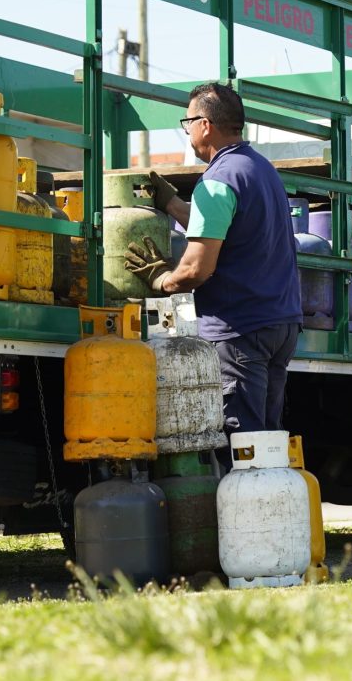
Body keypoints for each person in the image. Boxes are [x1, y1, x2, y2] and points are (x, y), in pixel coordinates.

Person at [124, 82, 302, 472]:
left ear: (205, 125)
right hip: (279, 323)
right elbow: (224, 229)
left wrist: (161, 280)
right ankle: (274, 522)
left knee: (243, 442)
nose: (185, 130)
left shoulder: (217, 180)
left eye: (187, 122)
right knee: (267, 437)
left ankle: (248, 528)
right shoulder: (259, 169)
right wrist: (171, 204)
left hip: (240, 330)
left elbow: (196, 269)